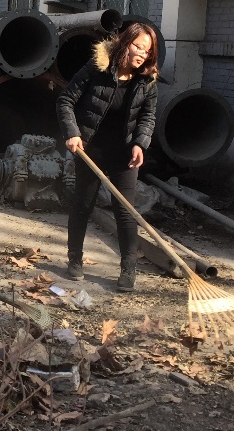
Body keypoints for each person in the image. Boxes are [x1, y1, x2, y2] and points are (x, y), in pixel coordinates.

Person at [56, 23, 159, 293]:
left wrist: (140, 144)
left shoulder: (147, 81)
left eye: (147, 51)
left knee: (125, 211)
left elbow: (147, 117)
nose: (142, 54)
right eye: (138, 47)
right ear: (125, 43)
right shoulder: (97, 68)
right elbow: (66, 100)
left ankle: (128, 268)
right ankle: (75, 259)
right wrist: (72, 133)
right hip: (90, 149)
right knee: (83, 205)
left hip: (124, 154)